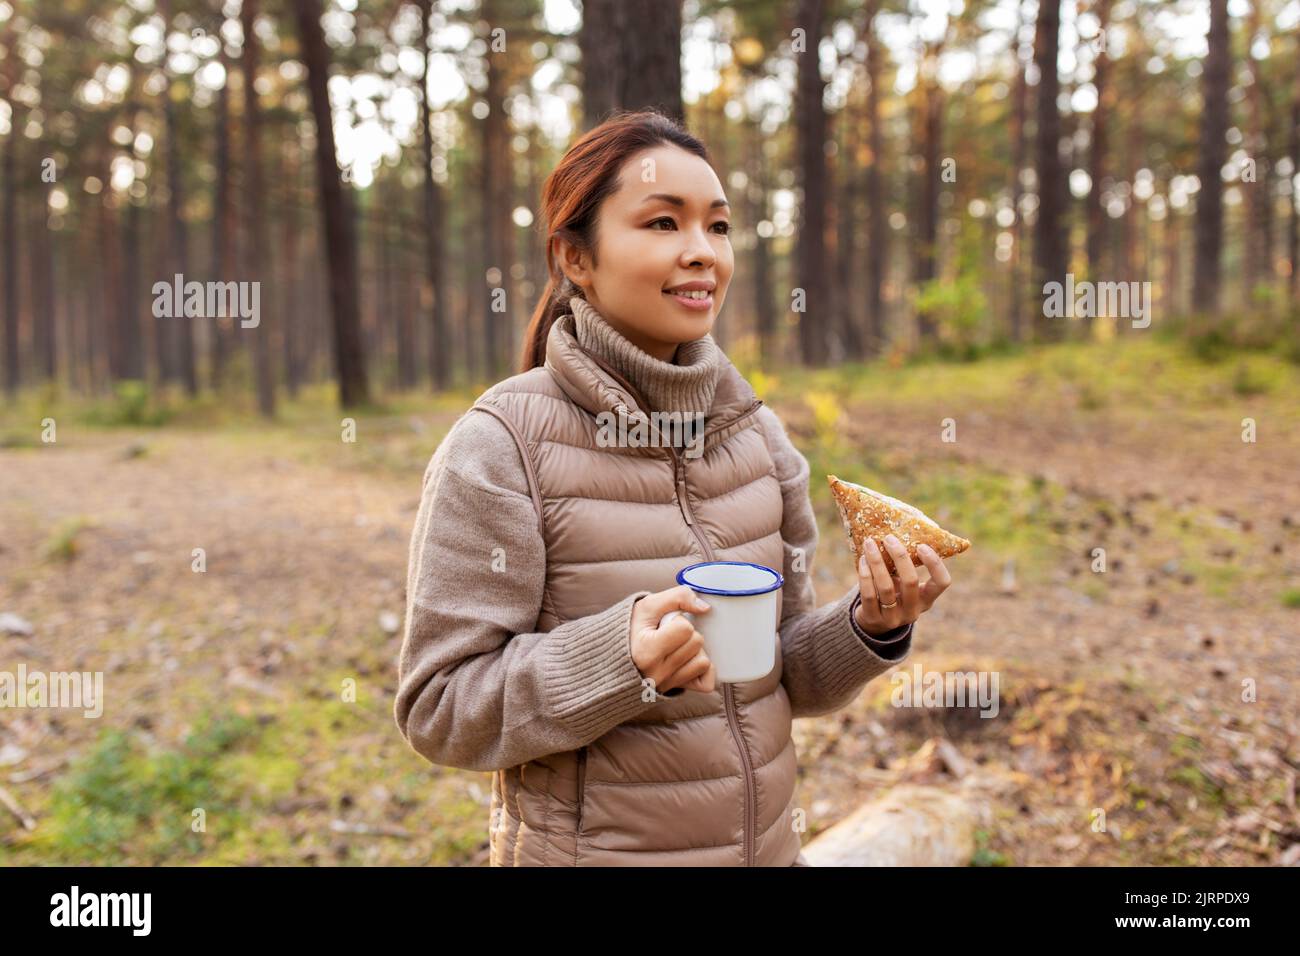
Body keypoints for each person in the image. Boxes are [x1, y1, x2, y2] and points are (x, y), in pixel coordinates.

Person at [394, 108, 954, 866]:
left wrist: (870, 625)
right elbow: (440, 708)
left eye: (718, 228)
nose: (702, 253)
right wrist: (615, 661)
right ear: (576, 258)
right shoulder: (501, 448)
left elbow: (781, 669)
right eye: (662, 224)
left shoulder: (759, 439)